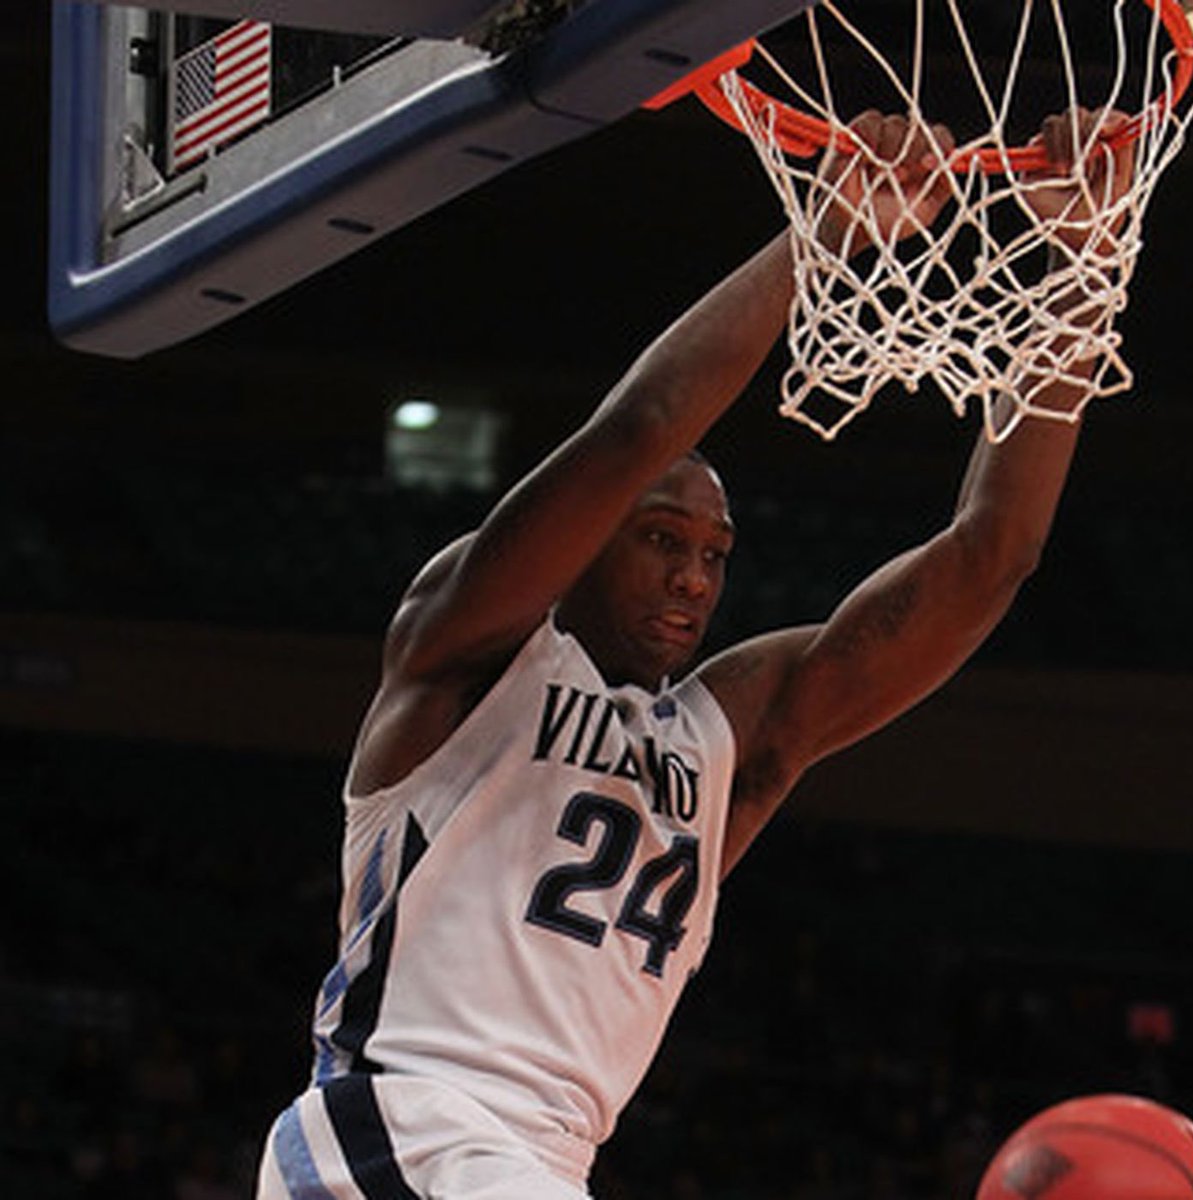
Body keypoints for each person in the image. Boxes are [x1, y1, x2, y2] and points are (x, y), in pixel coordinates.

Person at [256, 108, 1133, 1199]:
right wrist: (825, 234)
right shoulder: (467, 650)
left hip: (541, 1161)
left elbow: (989, 556)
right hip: (405, 1123)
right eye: (661, 540)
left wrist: (1081, 270)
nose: (692, 578)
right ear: (586, 540)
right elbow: (641, 429)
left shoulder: (728, 735)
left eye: (715, 554)